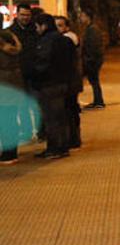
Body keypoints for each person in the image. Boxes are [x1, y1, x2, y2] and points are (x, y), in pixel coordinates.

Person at [32, 13, 75, 159]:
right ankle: (63, 146)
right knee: (60, 116)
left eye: (37, 26)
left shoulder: (46, 42)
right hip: (62, 83)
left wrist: (35, 78)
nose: (36, 29)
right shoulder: (64, 40)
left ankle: (54, 148)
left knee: (51, 118)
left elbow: (42, 64)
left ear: (43, 26)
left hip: (49, 84)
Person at [8, 4, 40, 140]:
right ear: (17, 15)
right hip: (19, 75)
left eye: (28, 15)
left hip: (35, 74)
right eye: (23, 15)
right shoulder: (10, 32)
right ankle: (26, 132)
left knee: (37, 105)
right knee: (22, 106)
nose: (25, 18)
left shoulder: (36, 31)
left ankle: (41, 132)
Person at [56, 16, 82, 149]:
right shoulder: (68, 39)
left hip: (70, 81)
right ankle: (74, 138)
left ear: (67, 27)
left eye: (60, 25)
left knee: (70, 110)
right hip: (72, 81)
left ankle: (72, 139)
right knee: (72, 109)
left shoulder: (67, 40)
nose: (58, 28)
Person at [0, 29, 24, 164]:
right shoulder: (13, 40)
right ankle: (12, 151)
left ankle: (7, 153)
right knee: (11, 118)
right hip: (14, 83)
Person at [80, 9, 105, 109]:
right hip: (92, 59)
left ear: (87, 17)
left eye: (82, 16)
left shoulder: (92, 29)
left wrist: (89, 59)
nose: (81, 18)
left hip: (92, 60)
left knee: (94, 80)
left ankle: (99, 101)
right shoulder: (90, 28)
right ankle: (98, 101)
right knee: (94, 81)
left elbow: (93, 46)